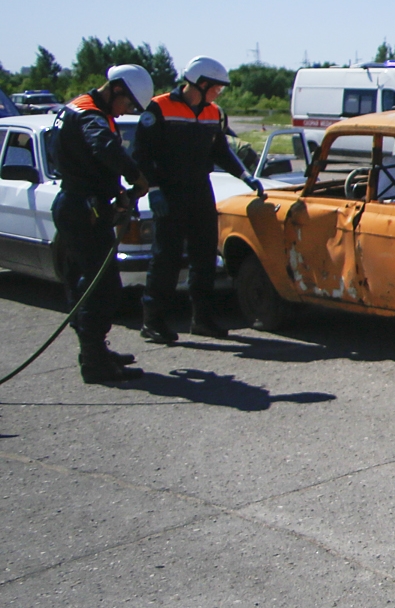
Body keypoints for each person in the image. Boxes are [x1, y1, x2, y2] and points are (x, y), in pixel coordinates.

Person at [132, 57, 258, 342]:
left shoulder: (213, 112)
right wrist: (153, 190)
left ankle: (201, 319)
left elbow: (221, 151)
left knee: (204, 258)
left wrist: (244, 174)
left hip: (200, 191)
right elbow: (142, 153)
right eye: (217, 88)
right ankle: (152, 321)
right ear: (201, 84)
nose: (219, 94)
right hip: (169, 193)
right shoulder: (159, 107)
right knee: (166, 259)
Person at [54, 65, 154, 383]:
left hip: (80, 204)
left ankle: (94, 352)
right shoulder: (88, 115)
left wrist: (117, 194)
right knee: (102, 287)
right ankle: (95, 364)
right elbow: (104, 148)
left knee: (86, 283)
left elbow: (90, 163)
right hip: (80, 209)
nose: (126, 111)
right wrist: (135, 176)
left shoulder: (85, 109)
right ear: (116, 89)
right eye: (127, 104)